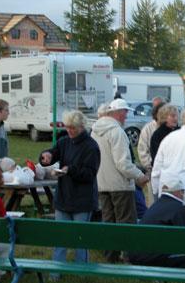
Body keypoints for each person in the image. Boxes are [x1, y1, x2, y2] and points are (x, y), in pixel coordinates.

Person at [40, 111, 101, 273]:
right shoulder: (64, 141)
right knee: (60, 238)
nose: (69, 131)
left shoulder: (91, 146)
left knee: (80, 239)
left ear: (81, 127)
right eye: (67, 127)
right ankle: (56, 271)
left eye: (73, 128)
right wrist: (46, 156)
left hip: (83, 200)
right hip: (63, 197)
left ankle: (81, 271)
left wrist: (70, 170)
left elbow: (90, 174)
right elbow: (53, 153)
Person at [91, 99, 149, 262]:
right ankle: (130, 257)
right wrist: (139, 176)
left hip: (102, 183)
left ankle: (111, 256)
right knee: (126, 222)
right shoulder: (117, 132)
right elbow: (123, 163)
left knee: (109, 221)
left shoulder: (95, 131)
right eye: (125, 112)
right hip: (120, 186)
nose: (126, 115)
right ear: (117, 113)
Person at [128, 178, 185, 268]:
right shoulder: (178, 207)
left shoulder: (156, 204)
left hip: (135, 255)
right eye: (183, 192)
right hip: (151, 258)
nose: (183, 195)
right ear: (178, 192)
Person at [137, 101, 166, 205]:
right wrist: (150, 165)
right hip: (153, 171)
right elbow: (142, 150)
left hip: (170, 172)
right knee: (154, 201)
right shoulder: (148, 129)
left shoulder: (173, 129)